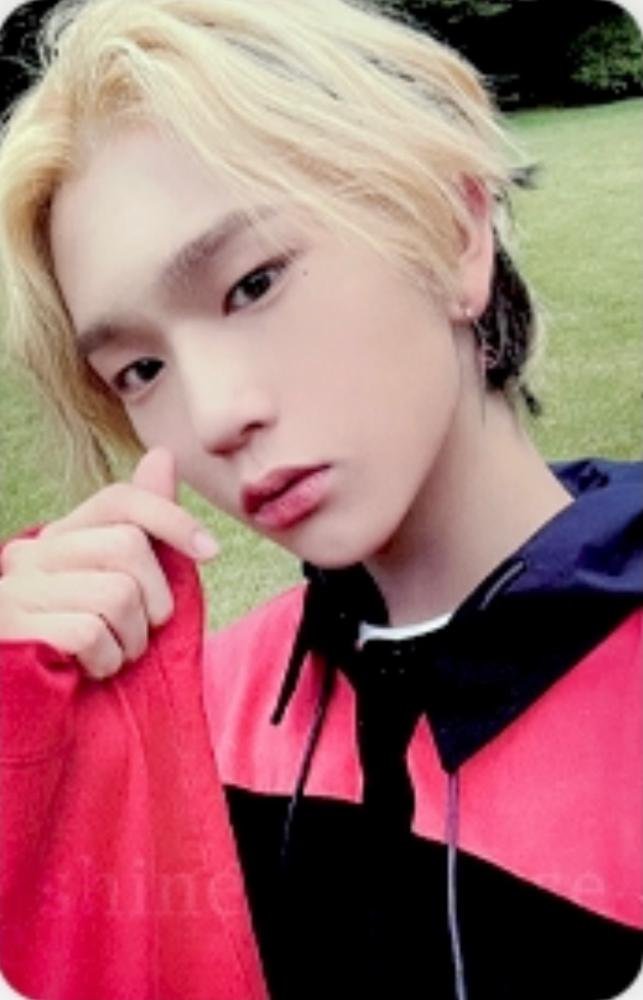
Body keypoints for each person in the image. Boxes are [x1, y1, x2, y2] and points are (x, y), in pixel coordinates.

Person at [0, 0, 640, 998]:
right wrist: (35, 756)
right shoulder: (201, 713)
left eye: (253, 284)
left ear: (453, 232)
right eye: (140, 370)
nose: (213, 415)